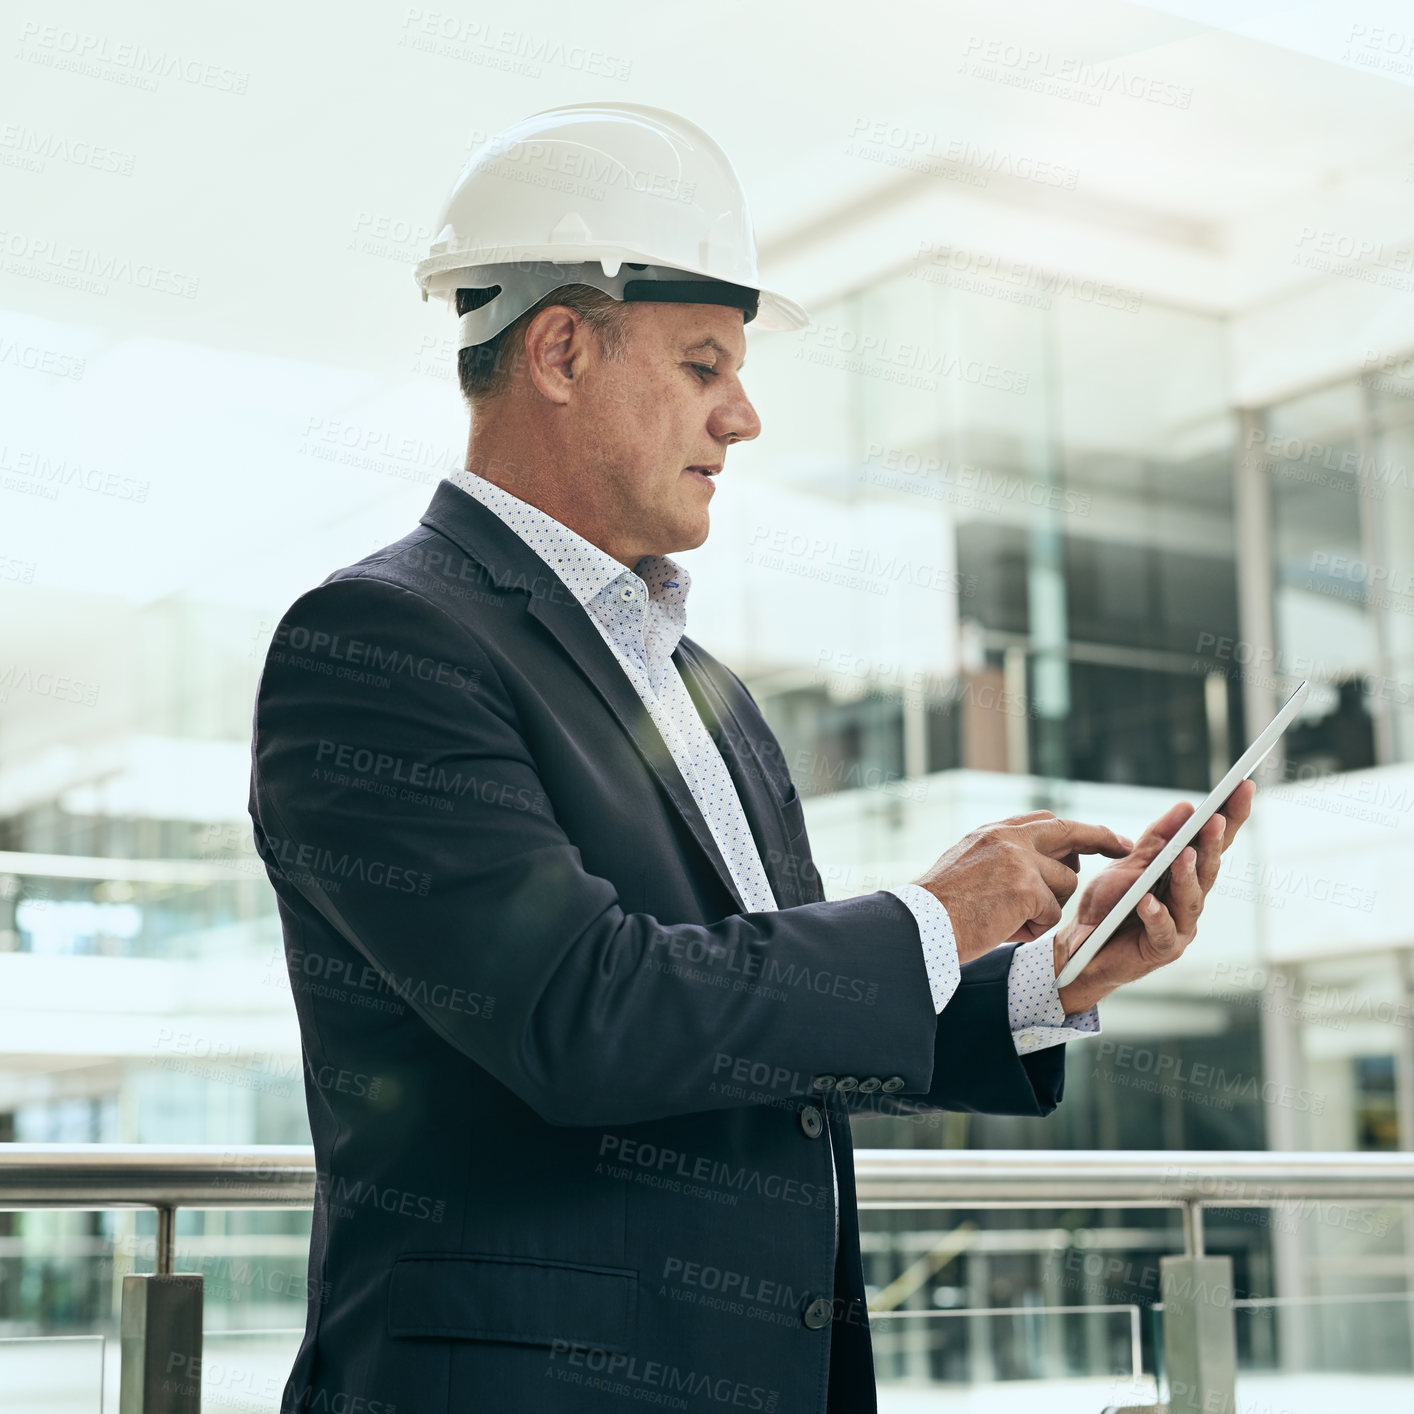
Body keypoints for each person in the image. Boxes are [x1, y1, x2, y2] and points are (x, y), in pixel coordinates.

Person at [248, 103, 1254, 1414]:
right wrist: (929, 913)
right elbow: (578, 1017)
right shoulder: (381, 643)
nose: (745, 417)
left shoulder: (695, 684)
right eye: (705, 364)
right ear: (558, 348)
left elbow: (742, 1025)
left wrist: (1025, 981)